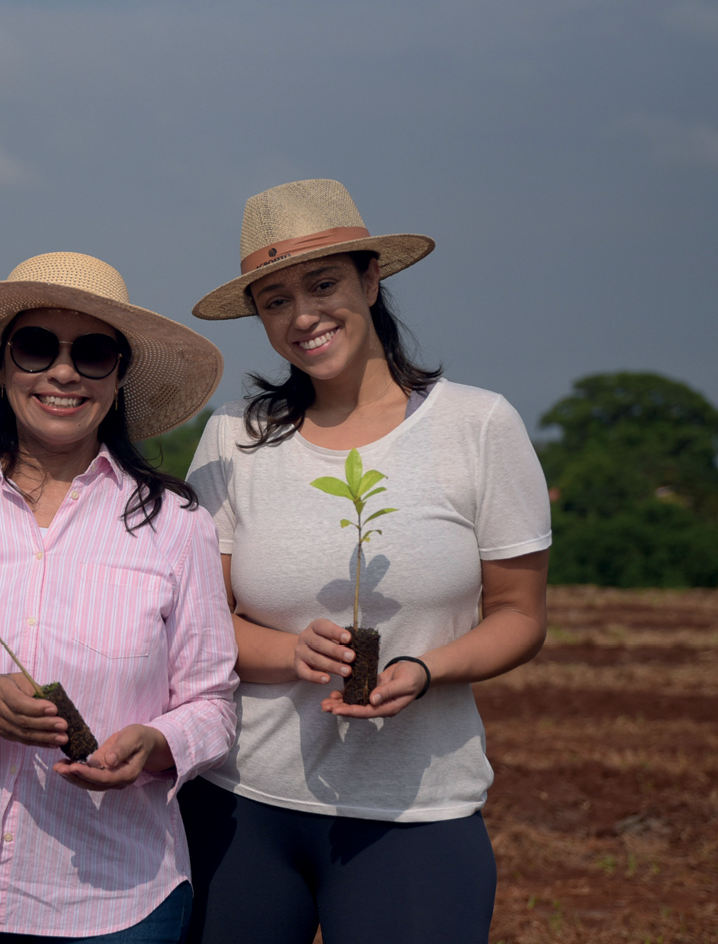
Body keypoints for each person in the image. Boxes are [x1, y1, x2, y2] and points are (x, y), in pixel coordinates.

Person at [181, 179, 551, 944]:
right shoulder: (234, 437)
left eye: (322, 285)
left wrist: (424, 670)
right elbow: (197, 621)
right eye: (274, 300)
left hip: (414, 810)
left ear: (370, 279)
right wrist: (288, 652)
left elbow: (518, 615)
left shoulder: (478, 425)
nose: (302, 316)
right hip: (241, 801)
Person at [0, 252, 240, 944]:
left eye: (94, 353)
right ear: (0, 367)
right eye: (36, 346)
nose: (63, 371)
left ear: (118, 379)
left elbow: (214, 704)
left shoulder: (176, 525)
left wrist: (158, 743)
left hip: (119, 896)